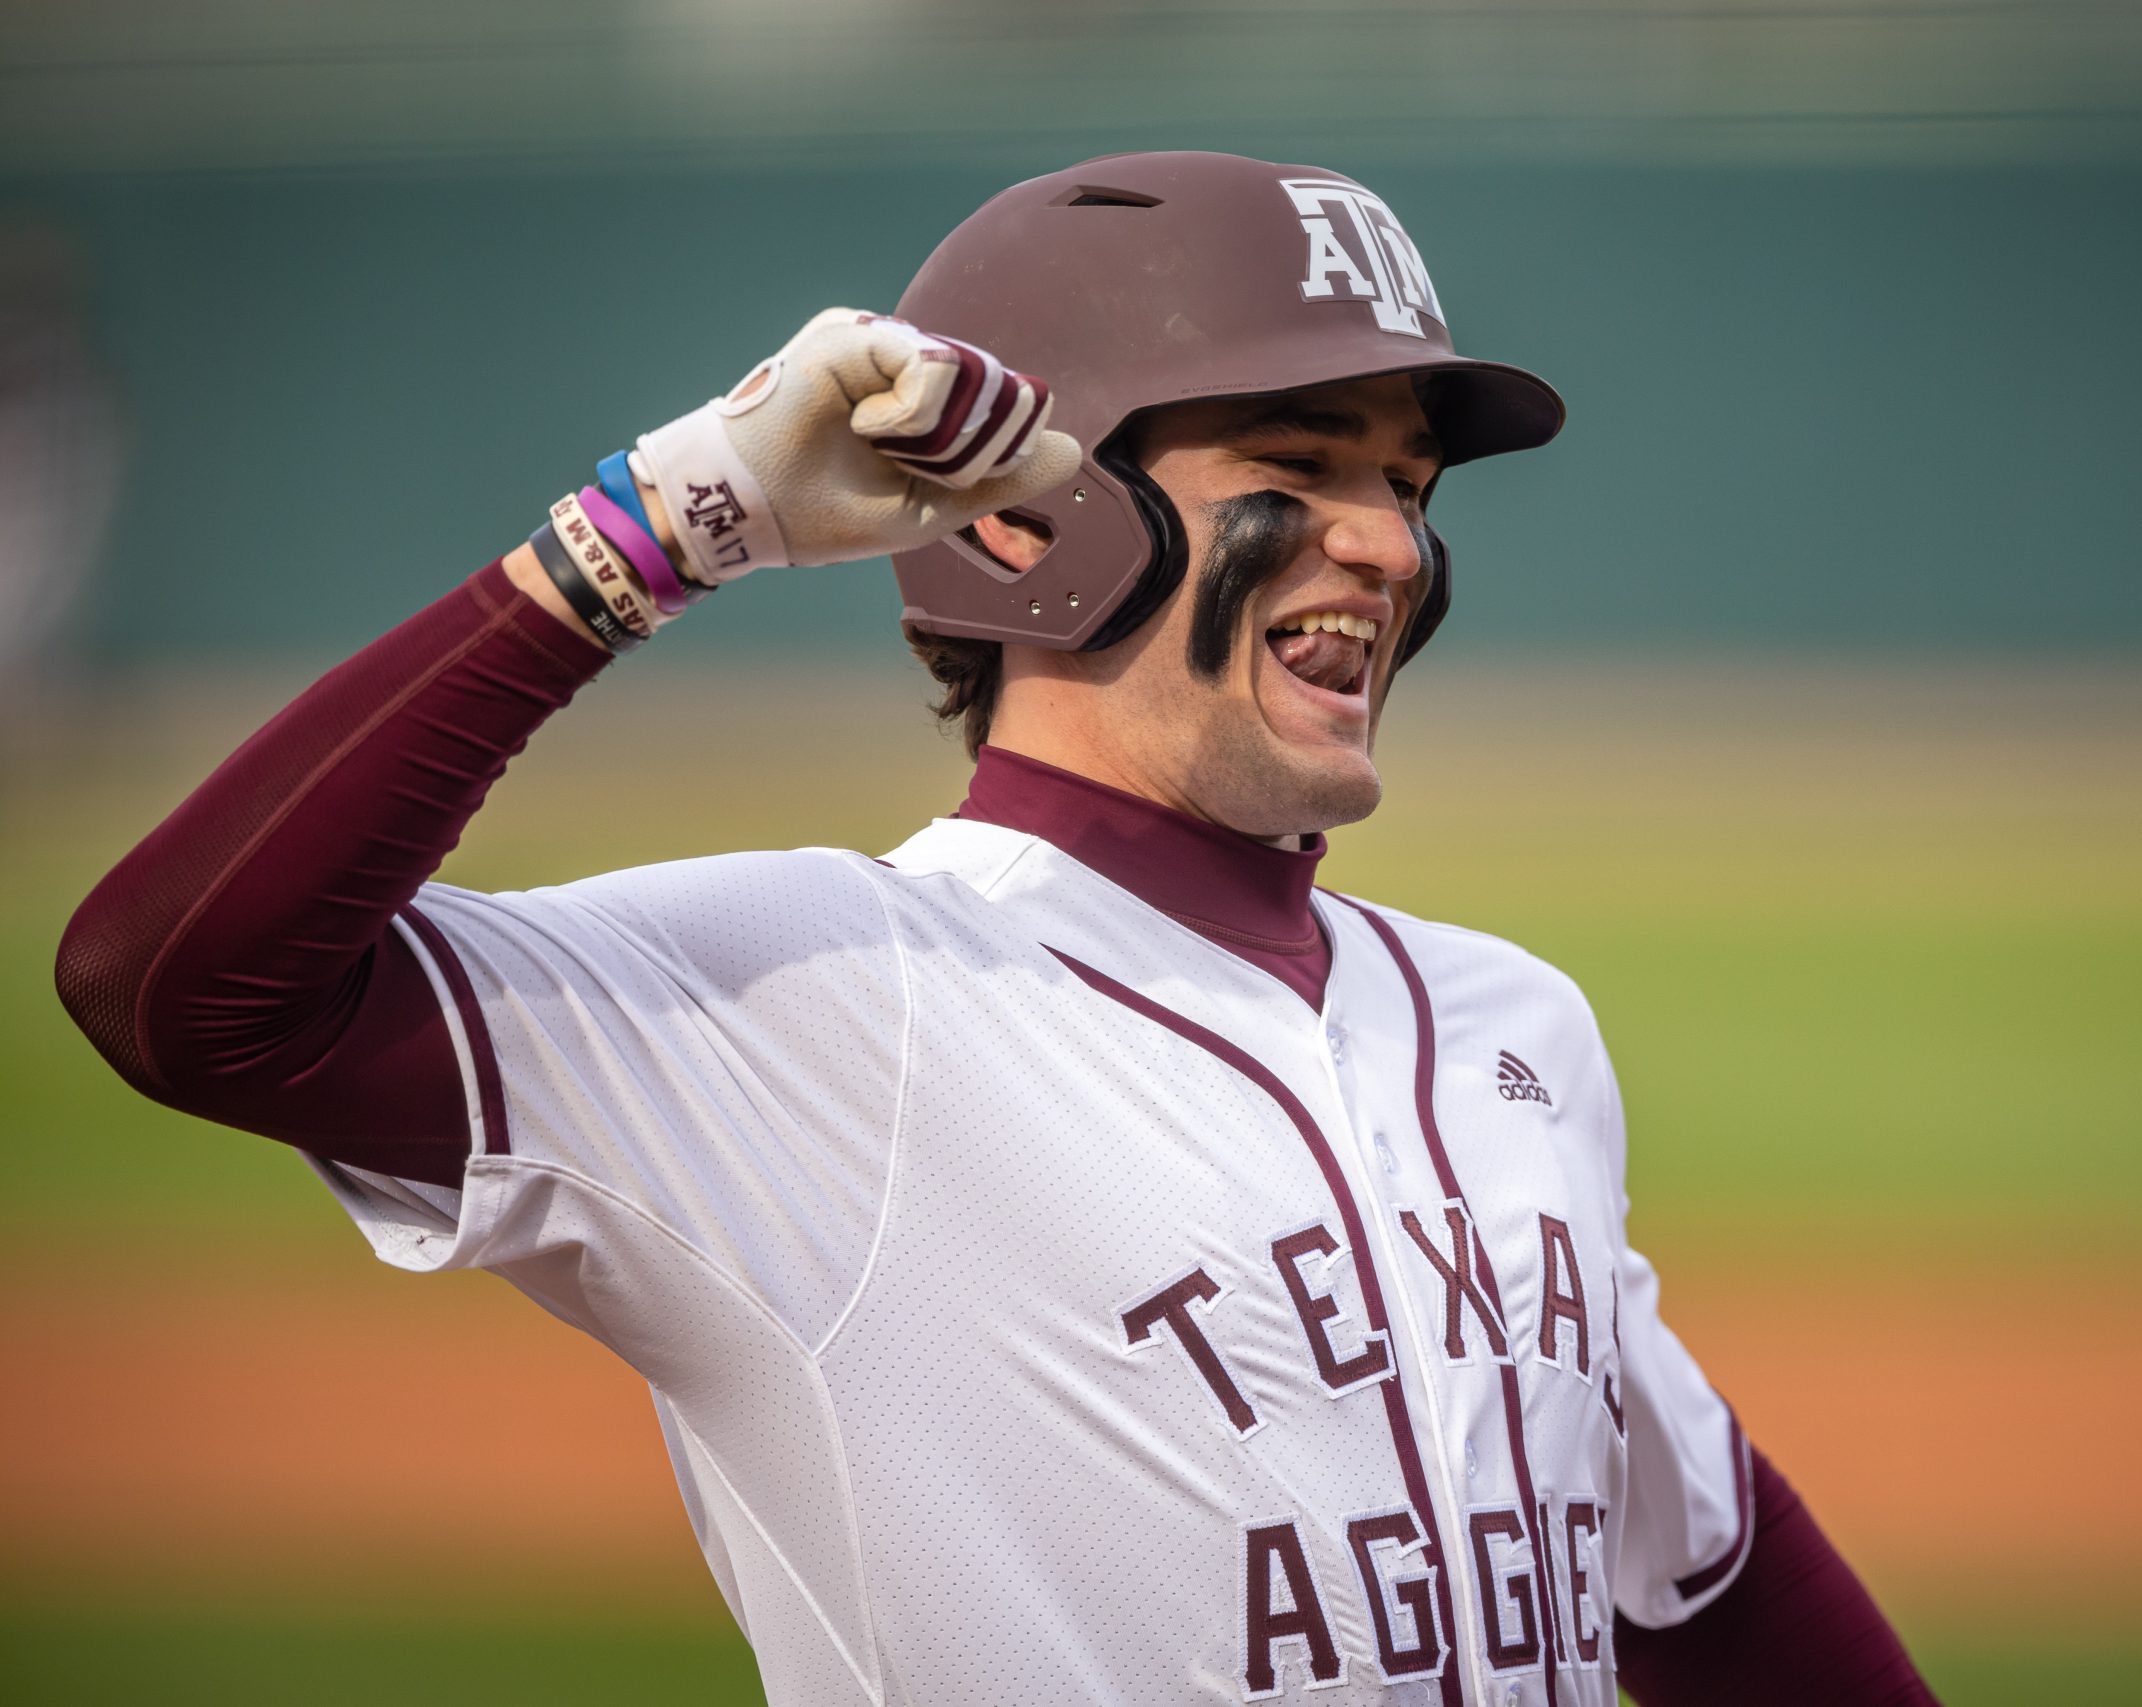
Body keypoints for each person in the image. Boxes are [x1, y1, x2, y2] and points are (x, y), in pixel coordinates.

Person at [57, 151, 1936, 1706]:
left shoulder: (1517, 1025)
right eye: (1296, 467)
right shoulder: (818, 1002)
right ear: (1031, 530)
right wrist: (658, 530)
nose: (1383, 542)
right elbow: (180, 988)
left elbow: (1704, 1568)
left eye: (1406, 485)